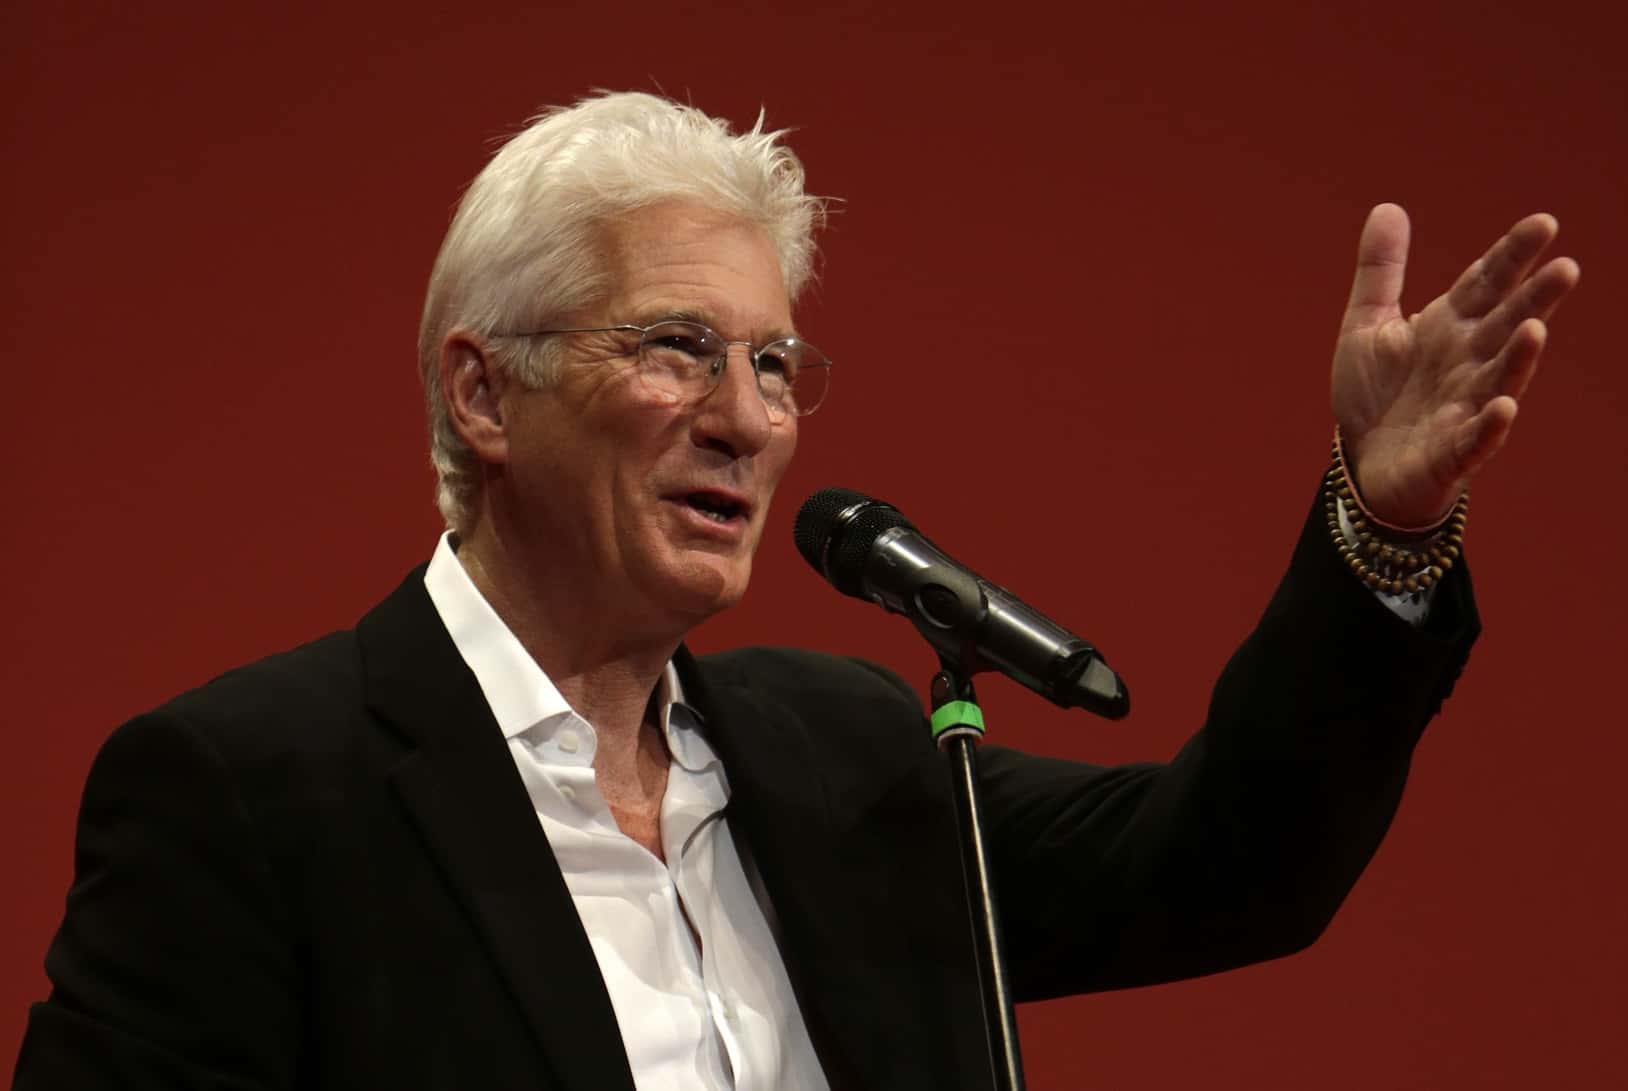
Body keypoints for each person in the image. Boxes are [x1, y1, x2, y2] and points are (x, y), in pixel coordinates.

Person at [12, 92, 1578, 1090]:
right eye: (678, 348)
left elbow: (1231, 862)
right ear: (484, 396)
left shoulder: (844, 758)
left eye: (774, 362)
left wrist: (1379, 518)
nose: (754, 417)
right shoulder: (251, 791)